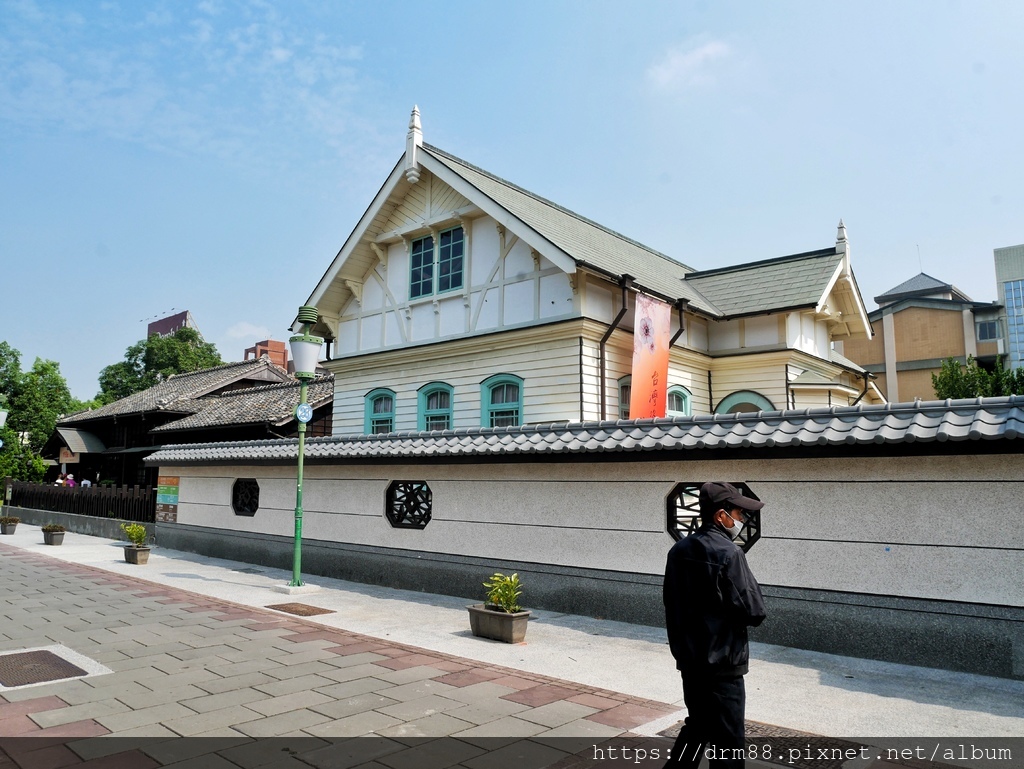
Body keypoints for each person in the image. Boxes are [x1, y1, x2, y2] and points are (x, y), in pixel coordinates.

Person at [663, 482, 766, 768]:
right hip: (723, 664)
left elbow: (670, 602)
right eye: (738, 512)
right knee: (728, 743)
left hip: (690, 659)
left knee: (697, 726)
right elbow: (754, 611)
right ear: (721, 515)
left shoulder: (679, 550)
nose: (742, 520)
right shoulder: (729, 554)